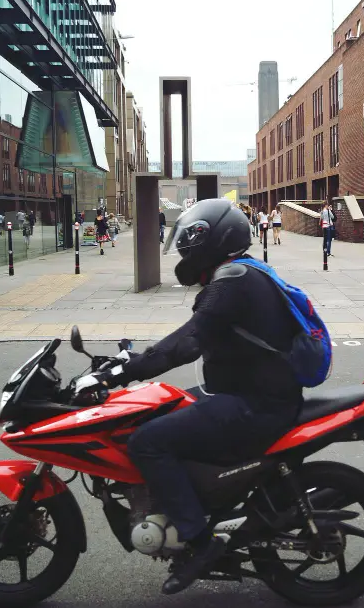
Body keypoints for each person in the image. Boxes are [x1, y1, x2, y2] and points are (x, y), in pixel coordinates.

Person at [90, 199, 304, 595]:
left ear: (216, 237)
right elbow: (194, 334)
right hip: (247, 394)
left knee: (147, 441)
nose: (186, 250)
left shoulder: (233, 280)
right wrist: (131, 362)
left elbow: (188, 341)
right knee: (155, 413)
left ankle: (201, 543)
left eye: (191, 240)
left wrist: (128, 369)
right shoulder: (240, 275)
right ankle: (197, 502)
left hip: (254, 405)